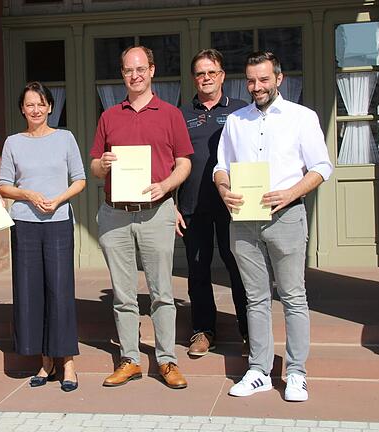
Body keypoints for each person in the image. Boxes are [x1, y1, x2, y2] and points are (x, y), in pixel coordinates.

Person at [214, 51, 333, 402]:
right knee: (255, 298)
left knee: (294, 296)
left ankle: (296, 373)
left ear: (278, 79)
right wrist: (223, 189)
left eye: (264, 79)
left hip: (287, 215)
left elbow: (322, 167)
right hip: (245, 218)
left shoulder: (302, 117)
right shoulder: (236, 120)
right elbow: (221, 166)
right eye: (251, 80)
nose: (257, 86)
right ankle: (259, 371)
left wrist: (292, 192)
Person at [91, 45, 193, 389]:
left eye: (140, 69)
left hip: (156, 212)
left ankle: (166, 360)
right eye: (127, 70)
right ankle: (131, 359)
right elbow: (93, 165)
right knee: (123, 294)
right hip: (115, 214)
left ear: (151, 70)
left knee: (162, 292)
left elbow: (185, 163)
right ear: (122, 74)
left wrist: (166, 184)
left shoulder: (170, 114)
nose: (134, 75)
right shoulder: (109, 116)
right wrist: (101, 165)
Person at [0, 81, 86, 392]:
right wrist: (26, 194)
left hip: (58, 220)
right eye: (29, 104)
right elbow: (4, 185)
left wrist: (59, 199)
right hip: (24, 224)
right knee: (30, 291)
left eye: (41, 104)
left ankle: (67, 361)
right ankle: (44, 360)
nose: (35, 109)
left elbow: (80, 179)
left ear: (50, 107)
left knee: (60, 290)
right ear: (22, 109)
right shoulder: (13, 142)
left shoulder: (65, 138)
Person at [176, 49, 249, 358]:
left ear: (222, 76)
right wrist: (172, 203)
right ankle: (203, 331)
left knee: (240, 268)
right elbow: (171, 161)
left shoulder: (241, 110)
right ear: (194, 78)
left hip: (234, 205)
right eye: (200, 73)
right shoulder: (180, 114)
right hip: (194, 206)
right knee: (198, 270)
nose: (206, 78)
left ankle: (250, 330)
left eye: (211, 72)